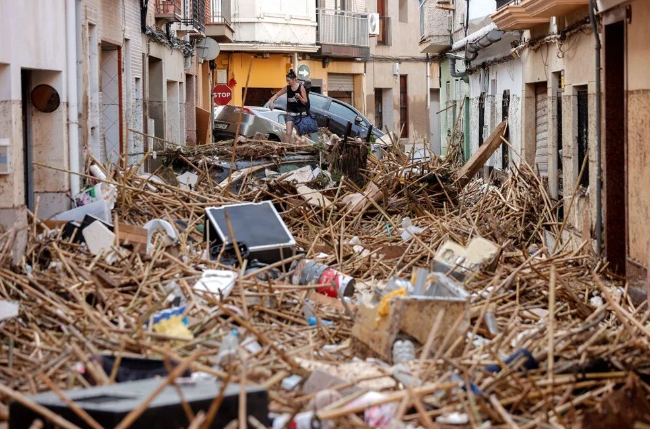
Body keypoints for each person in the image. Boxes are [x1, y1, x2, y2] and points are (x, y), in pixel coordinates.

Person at [268, 69, 309, 142]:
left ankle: (299, 148)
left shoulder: (301, 88)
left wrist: (299, 97)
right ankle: (286, 148)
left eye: (289, 80)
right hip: (290, 113)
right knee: (288, 132)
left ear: (293, 79)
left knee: (300, 134)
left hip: (300, 114)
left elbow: (305, 102)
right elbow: (277, 94)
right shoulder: (287, 88)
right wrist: (271, 102)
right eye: (287, 81)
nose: (288, 82)